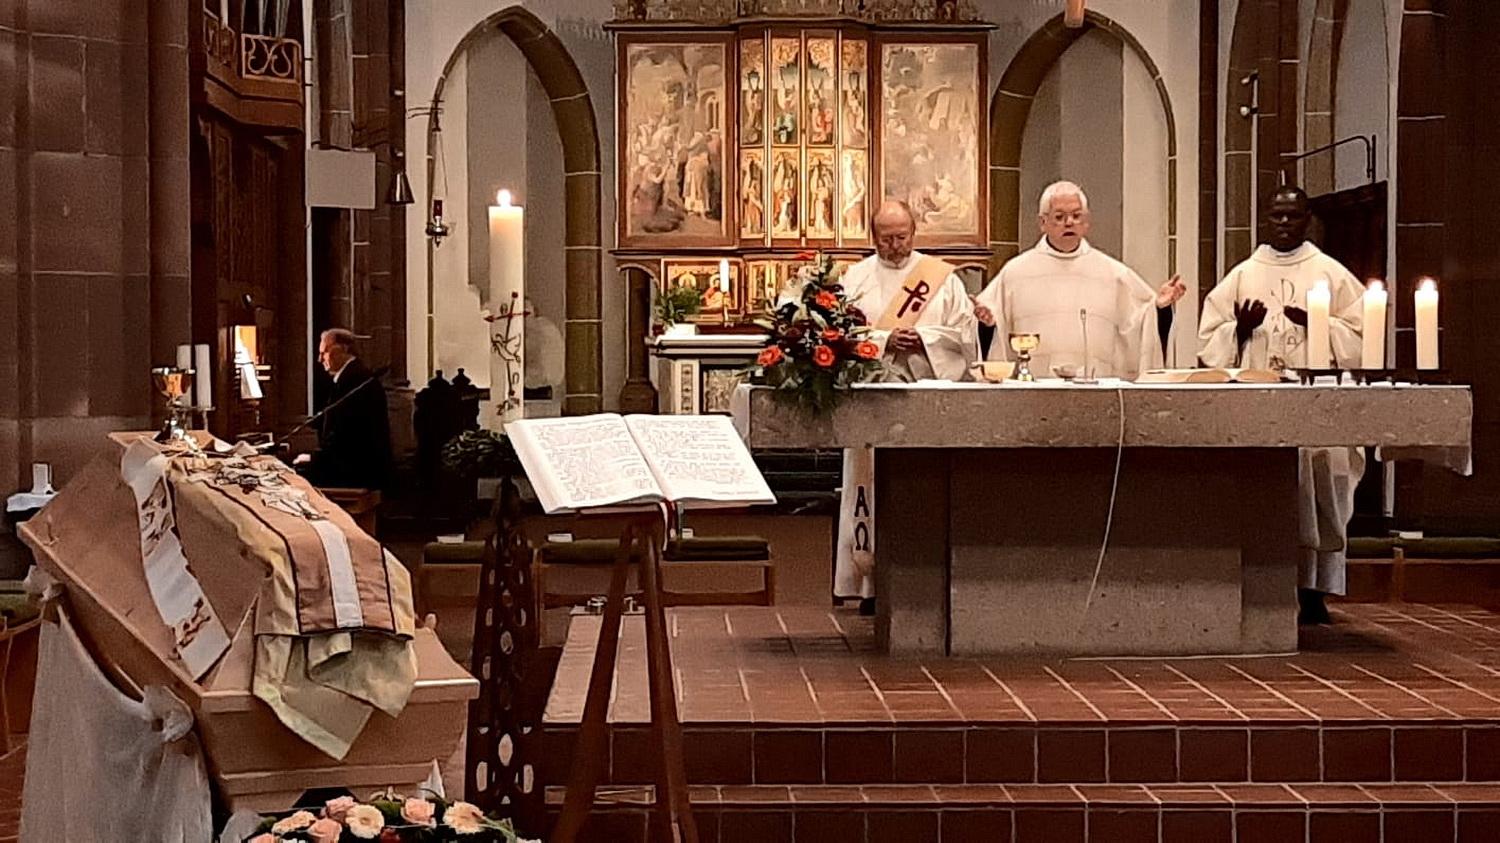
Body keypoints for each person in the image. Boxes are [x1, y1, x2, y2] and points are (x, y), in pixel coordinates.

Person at [1199, 185, 1367, 623]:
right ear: (1265, 219)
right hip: (1260, 405)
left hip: (1317, 407)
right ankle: (1262, 585)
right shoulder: (1242, 275)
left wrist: (1319, 325)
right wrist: (1239, 329)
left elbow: (1365, 335)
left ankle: (1315, 591)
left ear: (1308, 219)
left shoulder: (1331, 273)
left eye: (1293, 216)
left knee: (1322, 490)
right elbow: (1209, 341)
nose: (1285, 224)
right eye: (1277, 216)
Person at [833, 200, 978, 612]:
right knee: (869, 488)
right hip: (872, 401)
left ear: (914, 233)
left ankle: (928, 584)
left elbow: (963, 336)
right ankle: (868, 586)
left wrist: (926, 340)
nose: (895, 246)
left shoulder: (940, 278)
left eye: (902, 237)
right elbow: (841, 335)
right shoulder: (856, 278)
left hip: (925, 393)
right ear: (873, 236)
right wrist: (883, 341)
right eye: (886, 238)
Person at [973, 181, 1185, 379]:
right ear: (1042, 222)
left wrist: (1159, 309)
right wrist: (987, 325)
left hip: (1096, 395)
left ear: (1086, 222)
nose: (1069, 223)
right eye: (1059, 217)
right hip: (1032, 396)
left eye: (1076, 216)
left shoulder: (1113, 274)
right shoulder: (1015, 273)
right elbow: (989, 325)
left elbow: (1141, 326)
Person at [296, 328, 392, 491]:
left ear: (343, 349)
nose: (320, 359)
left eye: (324, 352)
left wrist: (315, 458)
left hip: (354, 472)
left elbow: (348, 436)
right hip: (351, 466)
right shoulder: (351, 377)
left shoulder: (355, 380)